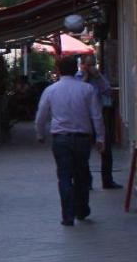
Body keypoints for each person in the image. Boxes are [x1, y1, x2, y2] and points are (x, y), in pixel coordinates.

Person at [35, 55, 104, 226]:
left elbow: (41, 116)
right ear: (77, 69)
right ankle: (82, 209)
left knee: (64, 177)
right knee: (81, 175)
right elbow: (97, 116)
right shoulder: (87, 89)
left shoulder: (51, 90)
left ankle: (68, 215)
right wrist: (100, 137)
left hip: (61, 139)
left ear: (58, 70)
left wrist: (40, 134)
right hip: (82, 139)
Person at [79, 54, 120, 189]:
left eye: (93, 64)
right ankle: (87, 182)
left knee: (106, 150)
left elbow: (108, 91)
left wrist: (97, 76)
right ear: (83, 65)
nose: (91, 68)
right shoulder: (77, 78)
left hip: (99, 116)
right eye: (88, 65)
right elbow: (77, 95)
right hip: (84, 118)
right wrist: (85, 78)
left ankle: (107, 180)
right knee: (84, 153)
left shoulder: (99, 77)